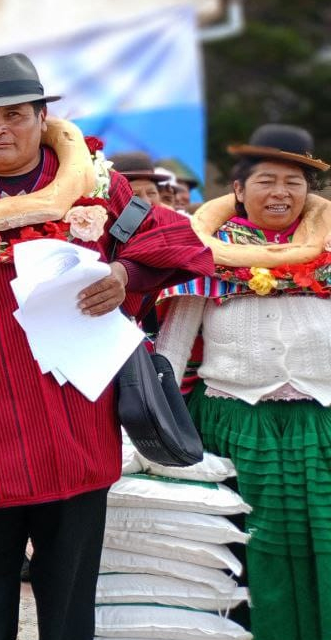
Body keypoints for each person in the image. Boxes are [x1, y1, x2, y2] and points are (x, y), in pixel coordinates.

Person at [0, 53, 213, 640]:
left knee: (69, 603)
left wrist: (125, 274)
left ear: (43, 119)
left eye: (14, 115)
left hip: (74, 423)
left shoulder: (98, 184)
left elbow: (185, 246)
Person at [156, 124, 330, 640]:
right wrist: (158, 425)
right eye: (266, 181)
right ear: (238, 190)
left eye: (294, 183)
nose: (280, 193)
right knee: (247, 548)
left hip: (320, 424)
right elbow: (173, 344)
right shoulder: (206, 253)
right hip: (237, 425)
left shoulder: (328, 252)